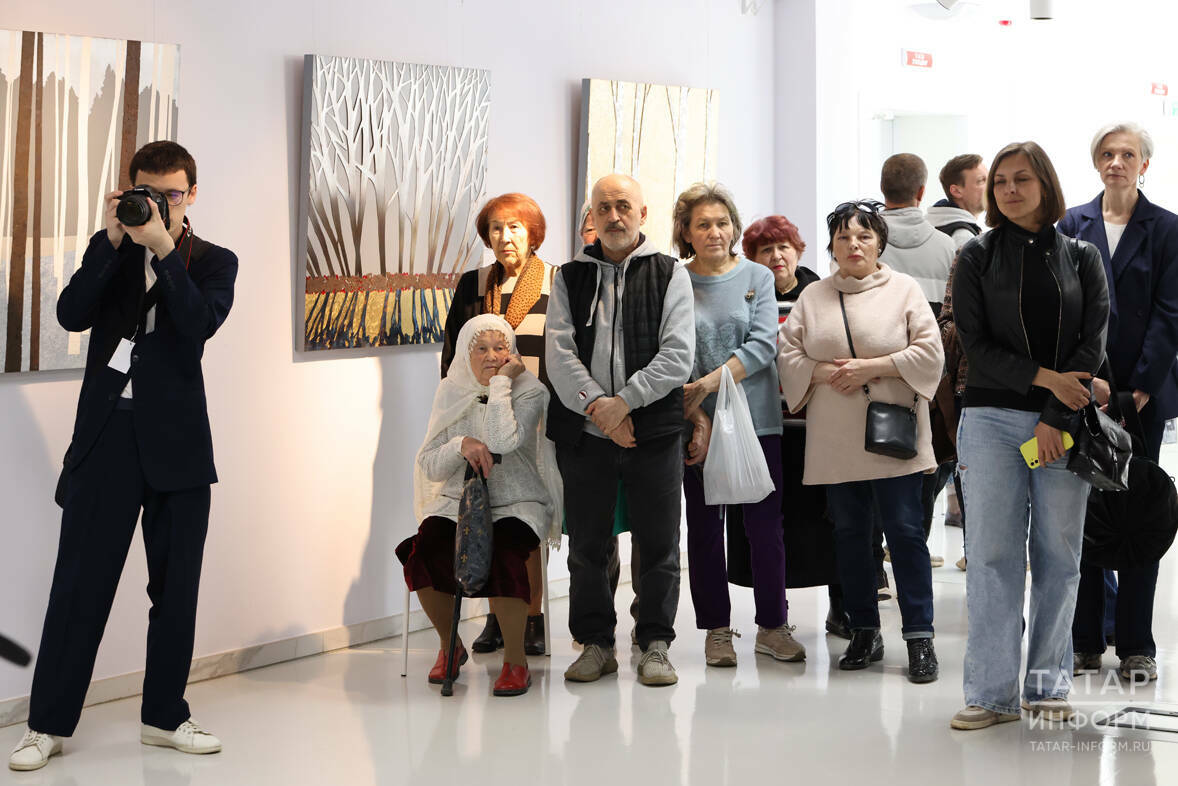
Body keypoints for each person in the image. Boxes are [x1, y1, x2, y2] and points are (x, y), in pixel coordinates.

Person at [10, 142, 238, 772]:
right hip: (107, 436)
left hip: (179, 445)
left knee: (176, 589)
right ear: (128, 189)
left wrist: (162, 249)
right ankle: (46, 724)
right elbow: (70, 314)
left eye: (172, 194)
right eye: (148, 192)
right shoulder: (108, 247)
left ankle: (165, 716)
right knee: (78, 586)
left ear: (191, 195)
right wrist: (113, 243)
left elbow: (197, 326)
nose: (159, 203)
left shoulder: (213, 261)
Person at [949, 142, 1108, 730]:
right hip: (990, 420)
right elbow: (974, 343)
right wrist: (1044, 379)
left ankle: (1046, 688)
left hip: (1061, 423)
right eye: (1000, 182)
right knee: (992, 556)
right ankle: (990, 695)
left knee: (1058, 557)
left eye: (1021, 179)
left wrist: (1054, 417)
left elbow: (1093, 344)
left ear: (1046, 183)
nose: (1009, 190)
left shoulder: (1083, 257)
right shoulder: (975, 255)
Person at [777, 200, 944, 684]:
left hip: (893, 440)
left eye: (864, 236)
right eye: (844, 237)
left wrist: (871, 368)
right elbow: (788, 357)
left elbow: (929, 353)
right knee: (849, 536)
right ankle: (864, 631)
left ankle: (920, 637)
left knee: (905, 535)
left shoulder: (904, 289)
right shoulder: (814, 296)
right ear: (832, 246)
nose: (854, 244)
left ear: (880, 244)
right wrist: (829, 373)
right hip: (834, 439)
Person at [546, 173, 694, 686]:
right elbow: (559, 354)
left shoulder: (670, 274)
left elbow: (678, 355)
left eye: (623, 206)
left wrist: (625, 403)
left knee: (659, 543)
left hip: (654, 431)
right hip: (586, 436)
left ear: (642, 213)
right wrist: (599, 409)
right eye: (604, 208)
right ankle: (595, 644)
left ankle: (655, 644)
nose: (614, 216)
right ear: (592, 216)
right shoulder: (568, 277)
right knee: (588, 545)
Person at [1059, 122, 1178, 684]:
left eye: (1127, 154)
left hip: (1142, 399)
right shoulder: (1071, 224)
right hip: (1085, 392)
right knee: (1082, 514)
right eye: (1107, 153)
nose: (1116, 162)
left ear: (1143, 164)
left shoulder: (1167, 228)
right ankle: (1085, 639)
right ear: (1096, 162)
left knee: (1138, 515)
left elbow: (1171, 312)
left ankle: (1135, 644)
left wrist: (1139, 389)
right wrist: (1089, 382)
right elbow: (1065, 306)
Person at [672, 184, 804, 667]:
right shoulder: (675, 281)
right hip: (696, 420)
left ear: (733, 228)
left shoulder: (757, 276)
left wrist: (709, 382)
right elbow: (671, 347)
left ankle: (773, 625)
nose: (715, 232)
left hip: (757, 419)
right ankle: (717, 631)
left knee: (764, 528)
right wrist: (696, 407)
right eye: (703, 224)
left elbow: (763, 345)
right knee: (705, 529)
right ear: (686, 232)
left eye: (722, 223)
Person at [401, 314, 561, 698]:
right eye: (481, 349)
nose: (491, 356)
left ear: (512, 352)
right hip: (457, 500)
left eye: (500, 347)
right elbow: (429, 463)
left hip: (516, 500)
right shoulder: (450, 389)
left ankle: (516, 661)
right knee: (422, 553)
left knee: (505, 555)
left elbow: (502, 441)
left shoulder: (530, 391)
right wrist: (461, 445)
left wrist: (502, 383)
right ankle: (450, 645)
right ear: (464, 353)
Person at [439, 193, 554, 656]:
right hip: (484, 417)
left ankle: (533, 618)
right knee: (488, 515)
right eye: (496, 228)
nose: (505, 237)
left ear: (532, 233)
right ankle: (497, 617)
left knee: (526, 522)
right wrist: (455, 414)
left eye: (515, 227)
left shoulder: (556, 281)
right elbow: (453, 355)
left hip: (537, 417)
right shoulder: (473, 284)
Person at [737, 215, 849, 639]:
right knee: (773, 525)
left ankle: (842, 607)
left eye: (783, 246)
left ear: (798, 251)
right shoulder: (747, 298)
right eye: (765, 250)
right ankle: (774, 613)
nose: (776, 256)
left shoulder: (821, 295)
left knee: (831, 519)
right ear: (753, 258)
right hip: (766, 427)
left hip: (816, 428)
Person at [879, 153, 958, 568]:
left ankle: (875, 561)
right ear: (923, 192)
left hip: (875, 373)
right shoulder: (947, 247)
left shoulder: (865, 242)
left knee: (874, 463)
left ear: (882, 190)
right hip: (930, 377)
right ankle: (913, 549)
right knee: (926, 463)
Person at [927, 154, 988, 249]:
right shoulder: (964, 238)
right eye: (981, 181)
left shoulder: (929, 225)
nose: (990, 186)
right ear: (956, 191)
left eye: (989, 179)